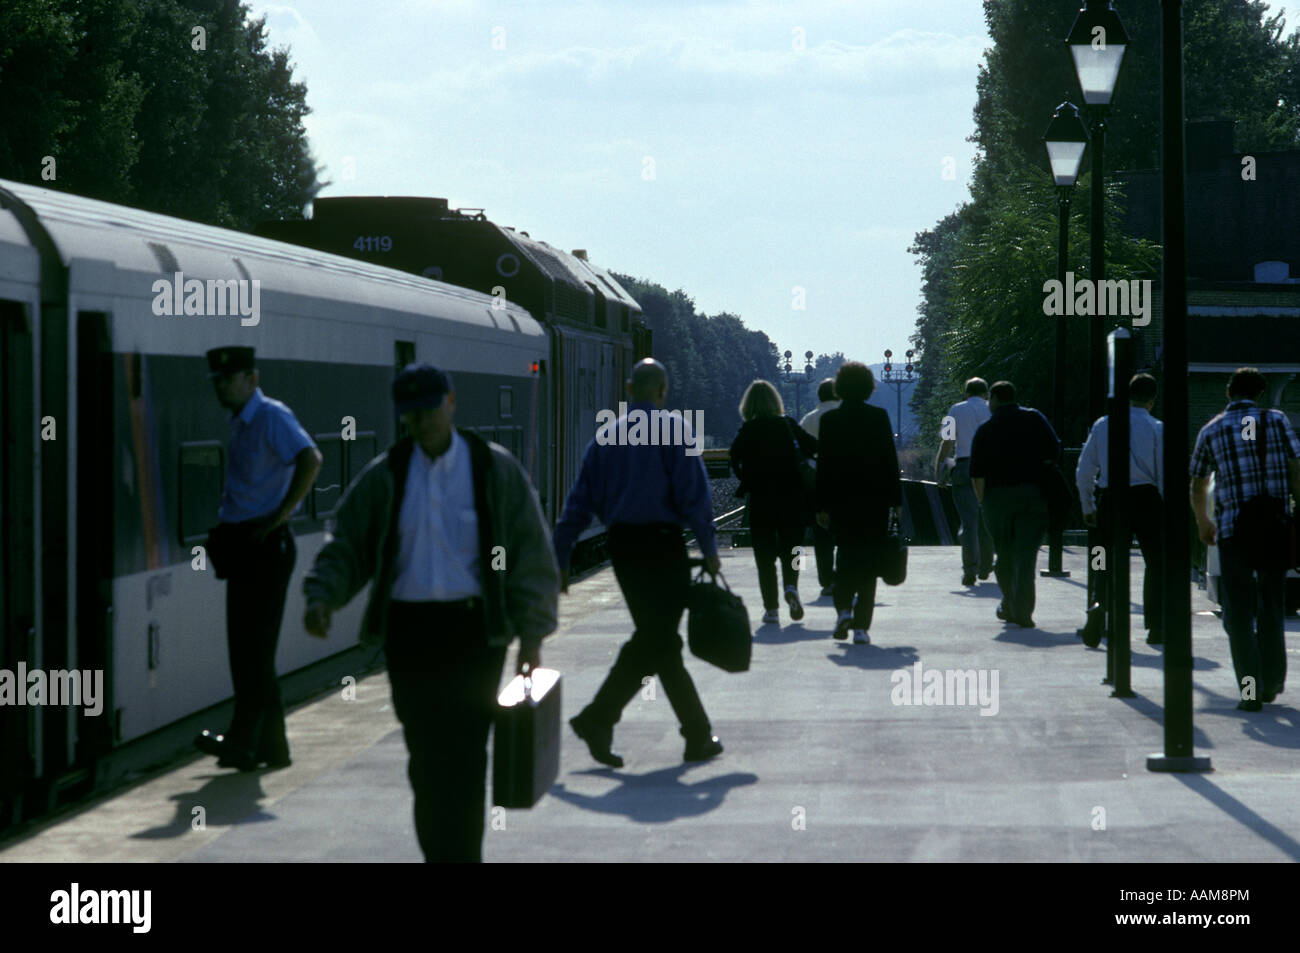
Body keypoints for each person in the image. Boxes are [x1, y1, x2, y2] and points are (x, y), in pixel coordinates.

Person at [301, 363, 559, 862]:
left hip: (473, 634)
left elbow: (530, 552)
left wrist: (532, 635)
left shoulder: (493, 470)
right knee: (425, 763)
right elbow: (347, 542)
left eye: (429, 410)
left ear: (451, 404)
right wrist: (323, 595)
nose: (421, 423)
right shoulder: (388, 476)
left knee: (464, 760)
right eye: (411, 415)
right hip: (409, 634)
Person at [554, 358, 723, 767]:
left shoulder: (606, 437)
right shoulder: (675, 432)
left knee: (658, 640)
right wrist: (710, 549)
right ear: (663, 390)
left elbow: (578, 502)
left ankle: (614, 722)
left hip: (625, 549)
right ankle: (606, 720)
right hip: (664, 547)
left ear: (630, 389)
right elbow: (695, 499)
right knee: (660, 640)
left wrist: (560, 554)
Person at [194, 346, 321, 771]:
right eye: (216, 380)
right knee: (248, 650)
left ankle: (243, 741)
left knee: (253, 651)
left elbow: (311, 458)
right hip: (245, 546)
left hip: (265, 547)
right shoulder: (242, 423)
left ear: (252, 378)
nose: (220, 387)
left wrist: (277, 517)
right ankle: (272, 747)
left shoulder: (271, 416)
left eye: (227, 379)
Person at [1190, 367, 1300, 712]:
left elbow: (1197, 483)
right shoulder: (1278, 421)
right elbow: (1297, 467)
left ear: (1227, 393)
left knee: (1237, 612)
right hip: (1274, 526)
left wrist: (1202, 522)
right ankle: (1272, 680)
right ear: (1261, 394)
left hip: (1233, 529)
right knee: (1271, 603)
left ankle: (1250, 690)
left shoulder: (1212, 429)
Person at [1075, 373, 1165, 646]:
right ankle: (1156, 625)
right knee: (1156, 563)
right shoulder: (1157, 428)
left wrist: (1088, 505)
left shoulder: (1103, 425)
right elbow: (1164, 474)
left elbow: (1084, 468)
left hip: (1111, 498)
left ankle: (1098, 606)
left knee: (1102, 557)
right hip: (1147, 499)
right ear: (1152, 399)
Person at [814, 362, 901, 645]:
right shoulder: (879, 417)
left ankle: (842, 611)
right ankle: (862, 626)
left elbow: (824, 466)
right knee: (869, 562)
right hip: (874, 501)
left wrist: (821, 505)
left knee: (846, 555)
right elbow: (890, 460)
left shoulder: (830, 421)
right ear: (868, 386)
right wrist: (896, 500)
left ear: (840, 387)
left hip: (841, 501)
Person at [969, 380, 1061, 629]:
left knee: (1005, 554)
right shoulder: (1035, 419)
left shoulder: (986, 430)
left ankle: (1009, 601)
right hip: (1033, 496)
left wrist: (982, 501)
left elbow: (976, 473)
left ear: (995, 399)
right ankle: (1023, 611)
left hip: (997, 500)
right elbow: (1055, 449)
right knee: (1026, 556)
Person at [731, 380, 819, 624]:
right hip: (793, 499)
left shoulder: (748, 430)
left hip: (761, 501)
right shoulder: (788, 425)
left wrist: (747, 480)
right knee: (794, 549)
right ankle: (792, 586)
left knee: (764, 558)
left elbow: (734, 459)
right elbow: (814, 447)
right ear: (775, 402)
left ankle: (771, 609)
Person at [935, 377, 994, 587]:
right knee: (987, 520)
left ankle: (970, 570)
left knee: (968, 523)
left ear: (966, 393)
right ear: (986, 394)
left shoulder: (955, 409)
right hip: (989, 470)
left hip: (963, 468)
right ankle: (986, 566)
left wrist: (939, 467)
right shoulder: (992, 410)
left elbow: (947, 441)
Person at [800, 378, 841, 596]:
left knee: (822, 534)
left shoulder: (808, 419)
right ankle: (845, 576)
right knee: (846, 532)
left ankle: (826, 581)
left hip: (816, 484)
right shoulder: (846, 415)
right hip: (845, 482)